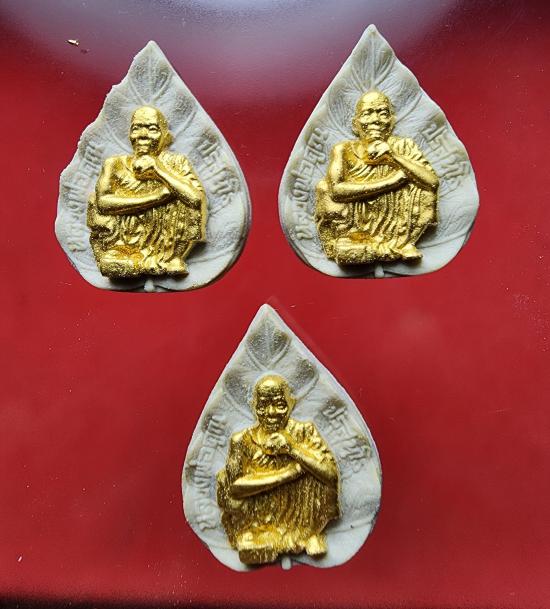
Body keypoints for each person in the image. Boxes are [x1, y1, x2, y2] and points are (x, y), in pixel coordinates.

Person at [217, 374, 340, 565]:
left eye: (279, 404)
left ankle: (308, 533)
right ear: (254, 406)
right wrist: (288, 473)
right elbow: (234, 487)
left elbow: (331, 475)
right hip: (259, 513)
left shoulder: (304, 432)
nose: (271, 413)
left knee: (318, 470)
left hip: (301, 513)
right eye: (263, 406)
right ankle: (257, 535)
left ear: (291, 403)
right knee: (225, 486)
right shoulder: (242, 440)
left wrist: (293, 448)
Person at [315, 90, 439, 264]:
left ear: (391, 122)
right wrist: (391, 182)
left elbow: (432, 182)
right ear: (355, 124)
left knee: (424, 191)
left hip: (398, 220)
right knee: (323, 188)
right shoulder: (343, 150)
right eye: (367, 114)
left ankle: (403, 243)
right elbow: (336, 191)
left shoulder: (404, 146)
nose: (376, 120)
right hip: (355, 216)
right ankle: (350, 240)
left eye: (383, 113)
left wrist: (393, 156)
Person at [87, 106, 207, 277]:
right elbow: (103, 204)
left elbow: (196, 199)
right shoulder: (115, 164)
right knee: (109, 264)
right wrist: (157, 197)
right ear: (129, 134)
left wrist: (158, 170)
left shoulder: (176, 163)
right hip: (122, 242)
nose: (143, 135)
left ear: (165, 136)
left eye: (152, 129)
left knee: (183, 193)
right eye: (136, 128)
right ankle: (136, 262)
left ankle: (170, 258)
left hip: (168, 244)